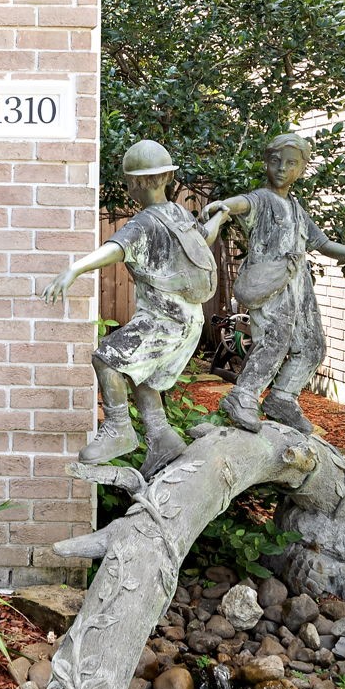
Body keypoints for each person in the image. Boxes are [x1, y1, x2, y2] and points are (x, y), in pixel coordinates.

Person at [201, 131, 345, 434]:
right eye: (276, 161)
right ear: (266, 162)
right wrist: (222, 206)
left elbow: (323, 243)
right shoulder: (263, 199)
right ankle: (242, 397)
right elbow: (242, 203)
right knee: (274, 340)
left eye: (291, 163)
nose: (282, 168)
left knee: (312, 346)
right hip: (271, 283)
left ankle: (282, 398)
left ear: (301, 168)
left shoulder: (296, 208)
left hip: (299, 287)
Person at [43, 140, 218, 468]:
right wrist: (219, 217)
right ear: (168, 177)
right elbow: (204, 237)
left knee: (107, 358)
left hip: (166, 318)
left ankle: (119, 429)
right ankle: (162, 438)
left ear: (134, 183)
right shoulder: (179, 213)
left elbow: (115, 249)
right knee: (142, 375)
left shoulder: (144, 223)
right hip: (190, 317)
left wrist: (75, 268)